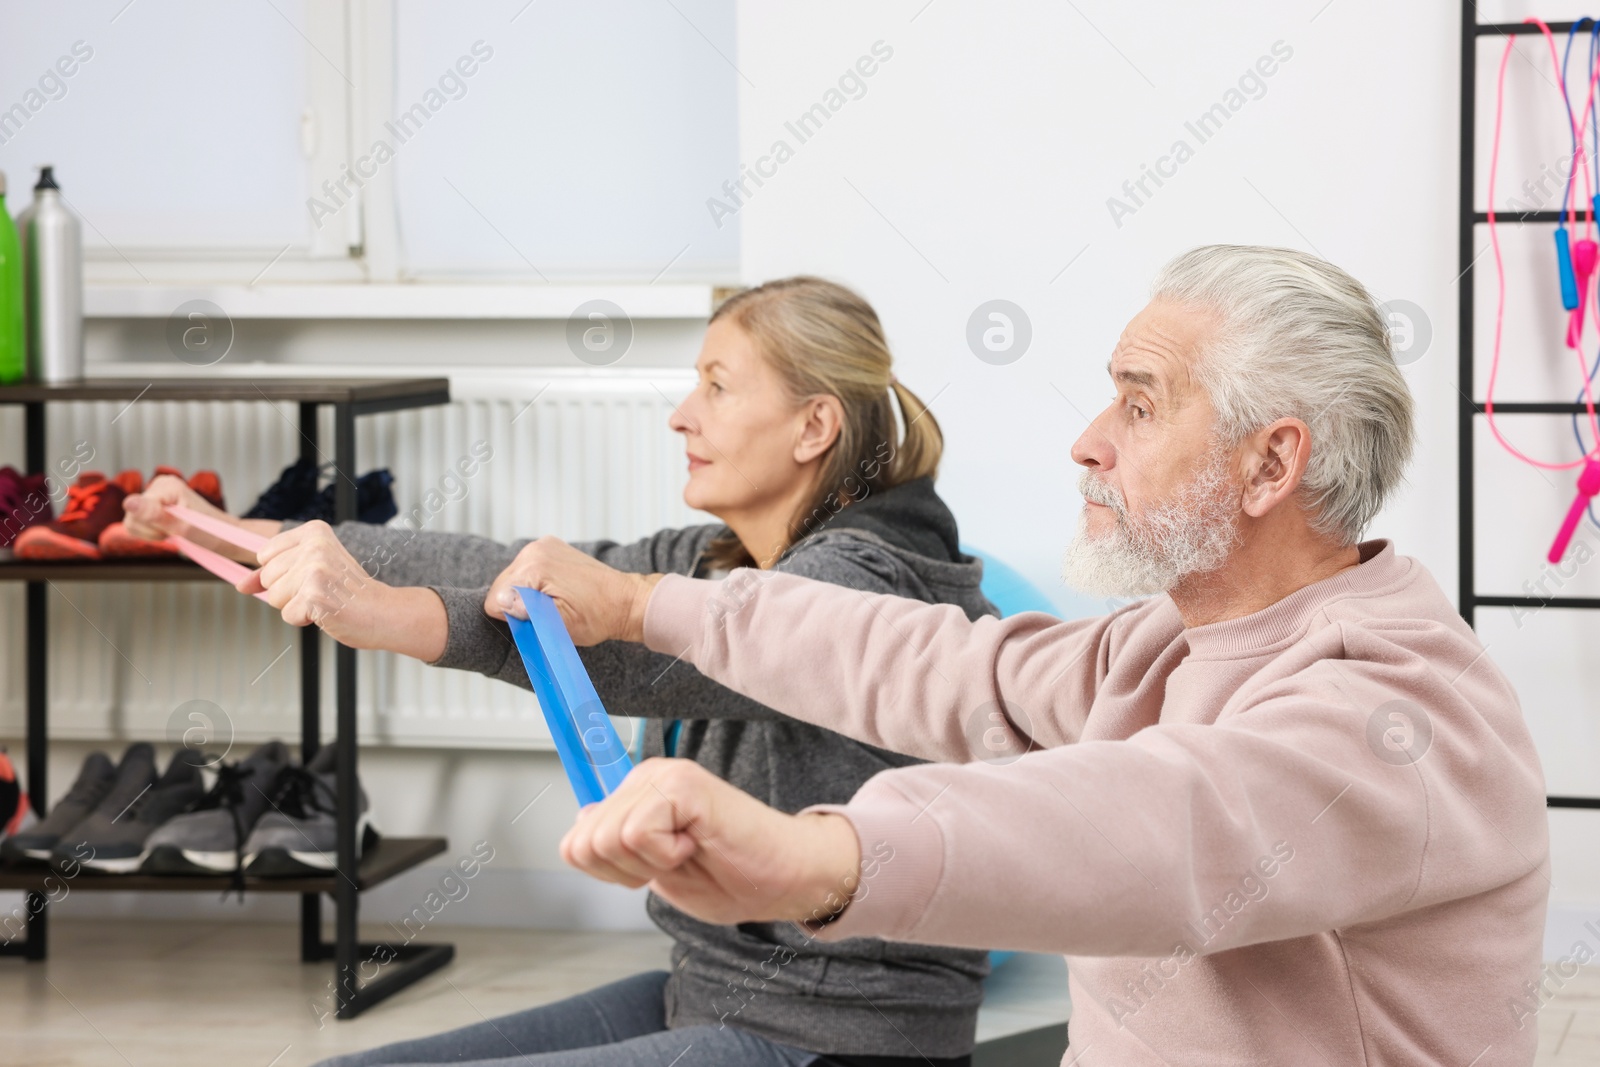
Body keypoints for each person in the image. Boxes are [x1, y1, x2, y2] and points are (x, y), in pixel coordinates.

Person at [489, 246, 1551, 1066]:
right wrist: (645, 603)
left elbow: (1160, 825)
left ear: (1270, 461)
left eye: (1139, 403)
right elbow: (945, 665)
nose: (1088, 439)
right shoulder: (1163, 645)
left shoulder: (1403, 707)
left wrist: (816, 856)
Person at [124, 277, 994, 1067]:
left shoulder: (864, 587)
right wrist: (240, 529)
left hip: (841, 1043)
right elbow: (517, 565)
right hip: (700, 993)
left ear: (815, 425)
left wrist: (387, 615)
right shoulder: (714, 558)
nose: (682, 414)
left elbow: (630, 659)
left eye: (718, 386)